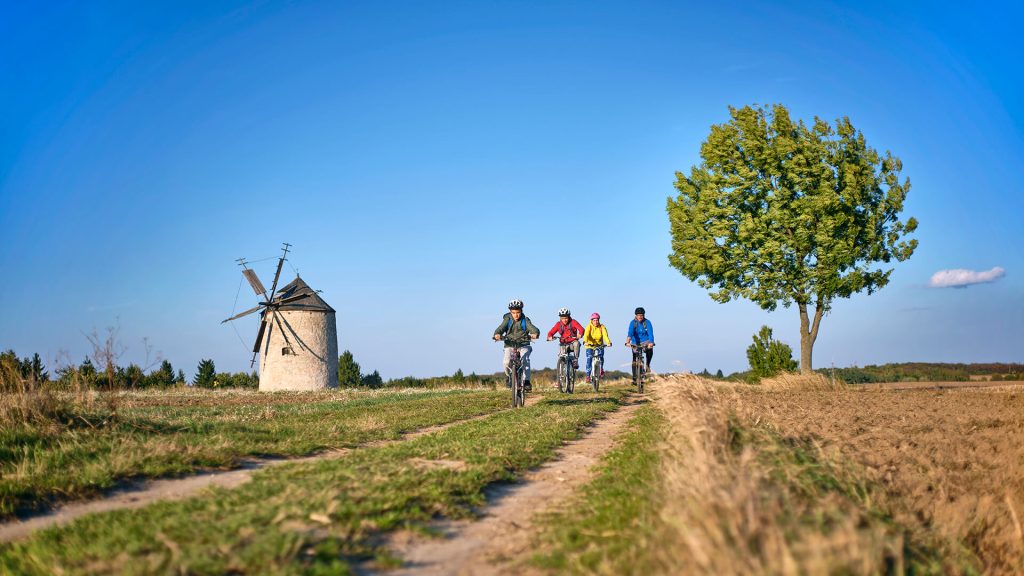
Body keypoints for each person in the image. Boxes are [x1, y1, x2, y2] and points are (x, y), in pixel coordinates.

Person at [493, 299, 540, 391]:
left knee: (525, 360)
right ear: (510, 312)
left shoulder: (525, 320)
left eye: (518, 312)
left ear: (521, 311)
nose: (516, 315)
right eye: (513, 313)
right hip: (509, 344)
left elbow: (533, 329)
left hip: (523, 344)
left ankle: (526, 381)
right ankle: (509, 376)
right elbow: (500, 328)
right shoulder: (507, 319)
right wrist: (497, 334)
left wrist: (535, 334)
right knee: (506, 362)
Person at [624, 307, 655, 376]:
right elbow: (630, 333)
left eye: (641, 315)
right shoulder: (633, 323)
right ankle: (634, 377)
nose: (640, 317)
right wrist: (627, 342)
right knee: (634, 359)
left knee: (650, 350)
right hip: (635, 342)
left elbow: (650, 333)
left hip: (645, 341)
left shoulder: (647, 322)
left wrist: (651, 342)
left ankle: (647, 365)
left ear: (644, 315)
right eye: (638, 315)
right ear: (636, 315)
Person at [582, 312, 612, 383]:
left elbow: (605, 336)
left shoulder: (602, 327)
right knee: (589, 358)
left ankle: (601, 369)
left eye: (597, 320)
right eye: (594, 320)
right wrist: (585, 341)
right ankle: (588, 376)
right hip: (590, 345)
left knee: (601, 357)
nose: (596, 322)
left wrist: (608, 342)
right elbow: (586, 335)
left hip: (599, 345)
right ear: (591, 320)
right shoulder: (589, 327)